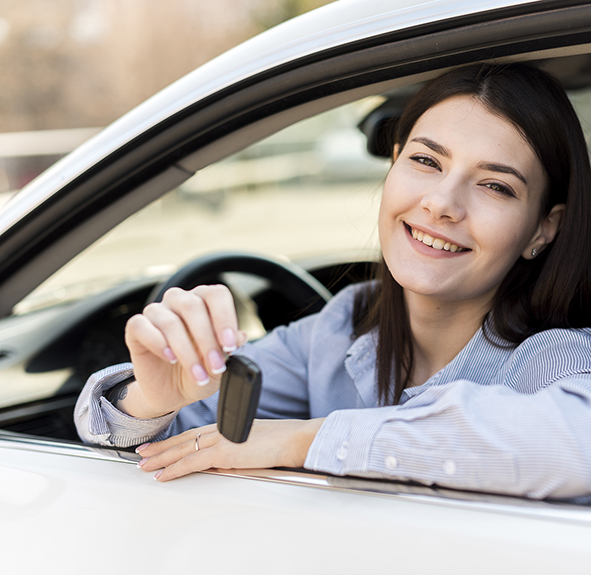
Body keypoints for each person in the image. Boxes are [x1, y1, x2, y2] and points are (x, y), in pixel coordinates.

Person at [75, 62, 591, 500]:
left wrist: (303, 441)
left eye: (496, 186)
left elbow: (571, 446)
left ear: (544, 228)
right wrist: (152, 398)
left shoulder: (561, 358)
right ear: (392, 167)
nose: (441, 203)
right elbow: (152, 455)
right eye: (426, 161)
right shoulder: (339, 327)